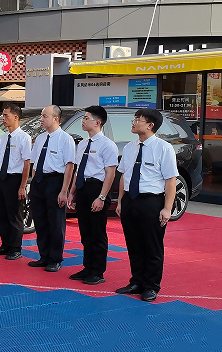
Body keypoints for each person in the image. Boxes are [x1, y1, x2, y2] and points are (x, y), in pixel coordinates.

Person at [115, 108, 177, 303]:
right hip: (130, 200)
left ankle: (151, 286)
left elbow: (170, 180)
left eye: (138, 120)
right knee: (133, 244)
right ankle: (136, 281)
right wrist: (120, 201)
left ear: (150, 125)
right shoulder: (129, 147)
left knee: (152, 246)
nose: (134, 123)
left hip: (151, 201)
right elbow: (124, 175)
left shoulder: (164, 148)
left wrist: (167, 208)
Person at [66, 106, 119, 286]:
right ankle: (87, 267)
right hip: (83, 188)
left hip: (97, 189)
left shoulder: (107, 145)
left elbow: (110, 173)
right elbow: (78, 170)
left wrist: (102, 197)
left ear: (98, 122)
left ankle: (97, 271)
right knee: (85, 232)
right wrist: (72, 192)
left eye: (86, 118)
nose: (83, 121)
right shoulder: (82, 144)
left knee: (97, 233)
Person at [28, 105, 75, 272]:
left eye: (45, 116)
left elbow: (69, 166)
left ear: (56, 119)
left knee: (55, 221)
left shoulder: (65, 139)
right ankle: (44, 255)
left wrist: (64, 191)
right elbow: (34, 163)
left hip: (55, 181)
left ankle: (55, 259)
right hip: (39, 181)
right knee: (40, 220)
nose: (41, 119)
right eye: (41, 116)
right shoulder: (41, 138)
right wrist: (34, 182)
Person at [0, 104, 31, 260]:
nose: (3, 118)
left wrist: (22, 186)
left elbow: (26, 163)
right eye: (2, 115)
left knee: (15, 215)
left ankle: (15, 248)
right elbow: (1, 161)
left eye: (6, 115)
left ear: (16, 117)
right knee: (3, 214)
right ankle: (5, 244)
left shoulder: (24, 138)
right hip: (3, 178)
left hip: (15, 179)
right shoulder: (4, 137)